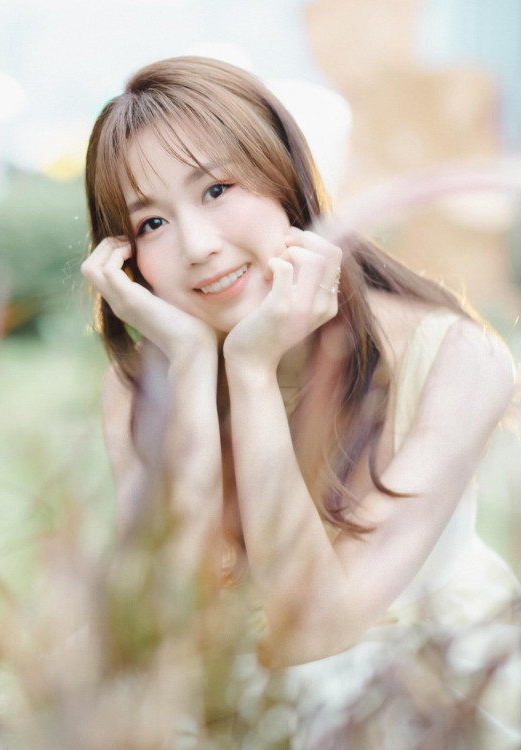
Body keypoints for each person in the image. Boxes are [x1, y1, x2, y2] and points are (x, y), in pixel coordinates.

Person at [81, 56, 521, 747]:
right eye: (153, 224)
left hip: (422, 685)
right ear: (126, 258)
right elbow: (170, 626)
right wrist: (193, 366)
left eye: (217, 189)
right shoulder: (140, 390)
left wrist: (252, 369)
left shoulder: (455, 357)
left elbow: (314, 631)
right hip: (238, 688)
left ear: (285, 175)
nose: (198, 245)